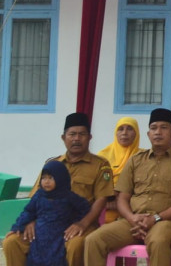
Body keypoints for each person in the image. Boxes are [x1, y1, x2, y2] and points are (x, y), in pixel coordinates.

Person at [84, 108, 171, 266]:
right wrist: (132, 218)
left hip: (164, 221)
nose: (158, 132)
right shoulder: (135, 160)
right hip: (132, 220)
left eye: (164, 128)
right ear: (148, 134)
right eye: (153, 128)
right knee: (94, 240)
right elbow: (122, 197)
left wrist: (155, 218)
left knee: (158, 242)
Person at [3, 112, 113, 266]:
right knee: (12, 242)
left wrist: (83, 224)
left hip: (78, 223)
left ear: (90, 137)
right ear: (63, 138)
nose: (76, 138)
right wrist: (31, 221)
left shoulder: (100, 165)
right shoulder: (52, 164)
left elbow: (101, 199)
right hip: (45, 223)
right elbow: (35, 197)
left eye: (82, 134)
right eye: (72, 134)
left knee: (76, 245)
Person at [7, 161, 91, 266]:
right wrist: (18, 226)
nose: (46, 182)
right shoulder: (39, 195)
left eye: (51, 178)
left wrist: (75, 222)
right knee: (36, 257)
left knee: (56, 258)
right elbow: (29, 211)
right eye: (44, 178)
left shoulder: (68, 197)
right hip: (40, 235)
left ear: (60, 179)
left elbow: (85, 208)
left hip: (59, 235)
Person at [96, 117, 142, 223]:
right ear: (115, 133)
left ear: (137, 133)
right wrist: (109, 197)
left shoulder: (143, 157)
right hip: (106, 206)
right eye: (120, 129)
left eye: (130, 129)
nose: (124, 133)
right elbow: (99, 182)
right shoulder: (103, 156)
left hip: (134, 208)